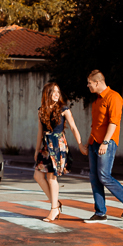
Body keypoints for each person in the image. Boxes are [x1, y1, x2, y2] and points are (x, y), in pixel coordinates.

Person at [84, 70, 123, 222]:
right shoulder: (96, 100)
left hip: (107, 143)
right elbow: (95, 125)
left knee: (104, 175)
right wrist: (87, 143)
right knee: (95, 178)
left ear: (97, 82)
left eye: (89, 83)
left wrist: (106, 142)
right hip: (94, 143)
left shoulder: (113, 97)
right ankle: (100, 213)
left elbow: (113, 122)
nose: (87, 85)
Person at [34, 82, 83, 222]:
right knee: (38, 176)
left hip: (57, 145)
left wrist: (80, 144)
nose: (57, 94)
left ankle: (54, 209)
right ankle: (56, 204)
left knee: (51, 178)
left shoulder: (63, 109)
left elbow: (73, 127)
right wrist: (37, 150)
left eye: (58, 92)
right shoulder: (41, 110)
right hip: (45, 147)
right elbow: (39, 132)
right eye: (53, 92)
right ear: (47, 94)